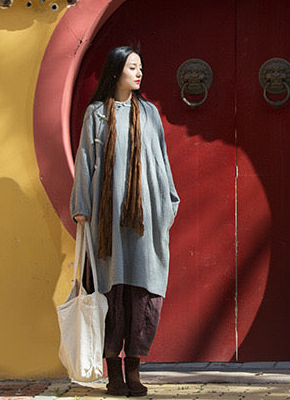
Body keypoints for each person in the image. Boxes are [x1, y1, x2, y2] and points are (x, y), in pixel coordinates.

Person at [70, 46, 179, 397]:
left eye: (140, 67)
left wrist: (168, 203)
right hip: (108, 221)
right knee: (111, 293)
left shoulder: (149, 113)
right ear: (116, 71)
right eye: (133, 67)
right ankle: (112, 373)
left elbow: (160, 160)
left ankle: (134, 370)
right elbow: (85, 160)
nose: (139, 73)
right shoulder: (96, 114)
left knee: (143, 292)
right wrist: (82, 206)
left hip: (145, 218)